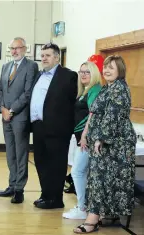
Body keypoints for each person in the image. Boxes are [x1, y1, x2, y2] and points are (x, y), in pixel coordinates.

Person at [74, 55, 137, 233]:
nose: (107, 70)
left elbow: (113, 116)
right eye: (106, 67)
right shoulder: (107, 88)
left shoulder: (119, 89)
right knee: (100, 181)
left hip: (115, 144)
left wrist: (101, 138)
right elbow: (94, 113)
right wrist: (87, 134)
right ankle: (104, 216)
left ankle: (92, 220)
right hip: (102, 142)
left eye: (112, 68)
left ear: (120, 71)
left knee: (102, 181)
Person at [30, 43, 78, 209]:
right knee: (41, 162)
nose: (44, 58)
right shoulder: (39, 75)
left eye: (47, 55)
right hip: (38, 126)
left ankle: (56, 199)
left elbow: (73, 103)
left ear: (57, 57)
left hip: (58, 129)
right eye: (42, 55)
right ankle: (46, 195)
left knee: (56, 165)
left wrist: (70, 128)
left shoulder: (69, 76)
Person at [0, 37, 39, 204]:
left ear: (25, 49)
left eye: (17, 48)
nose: (14, 51)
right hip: (5, 116)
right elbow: (0, 91)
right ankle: (12, 185)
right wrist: (3, 109)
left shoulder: (31, 66)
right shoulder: (6, 66)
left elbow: (28, 93)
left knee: (21, 154)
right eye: (12, 48)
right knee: (10, 153)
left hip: (19, 117)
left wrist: (11, 110)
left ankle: (20, 189)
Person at [62, 61, 101, 219]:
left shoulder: (95, 89)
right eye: (81, 72)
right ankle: (83, 206)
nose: (83, 75)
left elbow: (93, 114)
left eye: (87, 72)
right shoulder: (85, 90)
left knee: (77, 172)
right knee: (81, 172)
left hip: (87, 140)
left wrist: (85, 136)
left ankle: (82, 208)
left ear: (94, 74)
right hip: (81, 139)